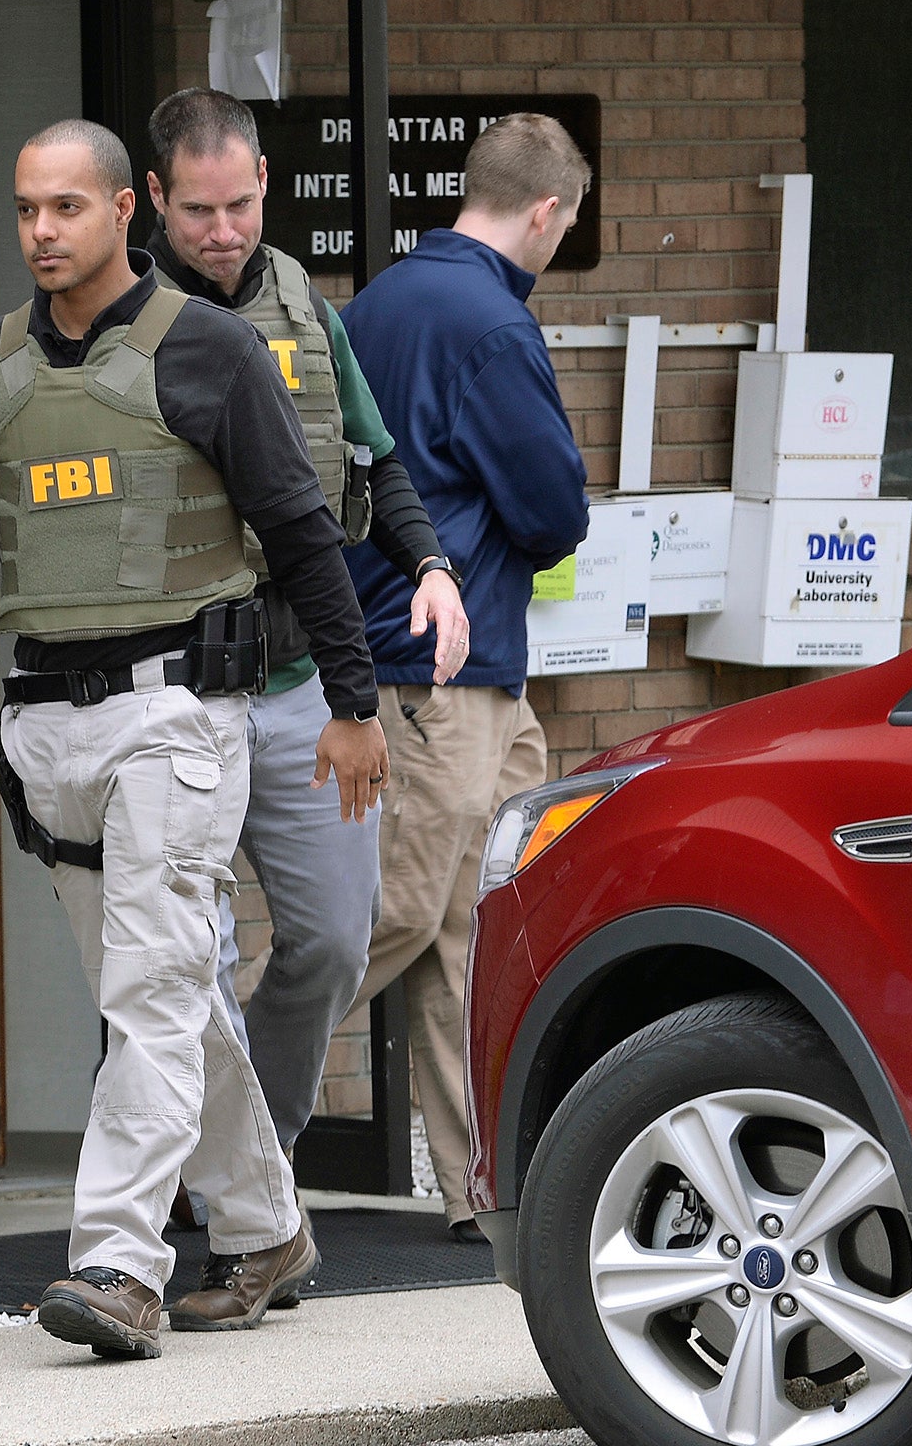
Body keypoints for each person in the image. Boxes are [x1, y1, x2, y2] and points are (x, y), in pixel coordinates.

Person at [0, 119, 387, 1358]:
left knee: (149, 995)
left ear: (127, 210)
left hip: (177, 716)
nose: (40, 232)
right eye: (24, 210)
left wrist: (351, 702)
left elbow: (299, 528)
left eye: (65, 207)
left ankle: (117, 1262)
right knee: (170, 994)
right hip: (43, 728)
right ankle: (267, 1224)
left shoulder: (213, 352)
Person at [143, 88, 470, 1173]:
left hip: (292, 684)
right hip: (168, 691)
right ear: (153, 200)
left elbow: (372, 459)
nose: (223, 232)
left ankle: (251, 1164)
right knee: (172, 965)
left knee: (333, 940)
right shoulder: (114, 322)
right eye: (197, 211)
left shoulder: (303, 308)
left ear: (265, 189)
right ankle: (222, 1202)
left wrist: (428, 567)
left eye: (239, 205)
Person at [339, 113, 592, 1242]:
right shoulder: (493, 324)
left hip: (422, 665)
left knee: (464, 930)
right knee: (392, 920)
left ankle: (474, 1184)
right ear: (544, 211)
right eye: (567, 221)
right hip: (443, 671)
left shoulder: (374, 302)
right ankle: (203, 1107)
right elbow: (551, 513)